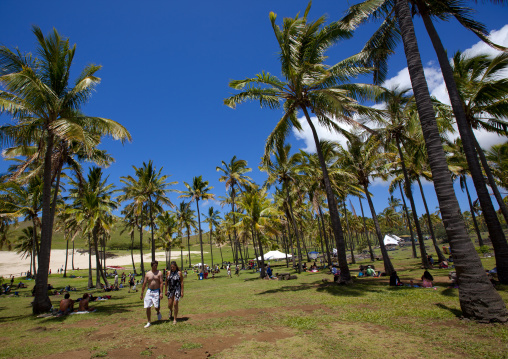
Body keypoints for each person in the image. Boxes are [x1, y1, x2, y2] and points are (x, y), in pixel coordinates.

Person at [140, 260, 164, 328]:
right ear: (152, 266)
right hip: (149, 291)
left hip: (156, 291)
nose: (156, 267)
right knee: (148, 306)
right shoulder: (148, 274)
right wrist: (142, 293)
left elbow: (161, 283)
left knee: (156, 307)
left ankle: (158, 311)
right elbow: (144, 283)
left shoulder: (159, 273)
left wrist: (161, 292)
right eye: (154, 265)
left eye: (156, 265)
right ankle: (149, 322)